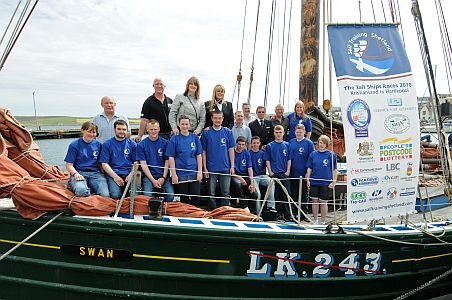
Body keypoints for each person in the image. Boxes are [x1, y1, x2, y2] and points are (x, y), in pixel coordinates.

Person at [201, 110, 235, 210]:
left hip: (225, 166)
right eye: (215, 118)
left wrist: (232, 165)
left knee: (225, 191)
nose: (217, 120)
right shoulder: (206, 132)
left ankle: (224, 211)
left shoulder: (227, 132)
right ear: (212, 118)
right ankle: (212, 210)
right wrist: (205, 168)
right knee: (211, 192)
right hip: (211, 167)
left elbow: (231, 149)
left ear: (223, 119)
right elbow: (203, 151)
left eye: (219, 118)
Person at [64, 122, 109, 197]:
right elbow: (69, 165)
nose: (91, 134)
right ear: (82, 130)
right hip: (79, 173)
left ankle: (90, 189)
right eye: (89, 131)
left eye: (94, 132)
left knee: (105, 194)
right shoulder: (74, 145)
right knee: (81, 191)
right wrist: (75, 174)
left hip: (95, 174)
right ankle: (79, 187)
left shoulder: (99, 145)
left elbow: (102, 163)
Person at [166, 115, 203, 206]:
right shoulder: (174, 139)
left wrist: (200, 172)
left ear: (190, 125)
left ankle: (195, 215)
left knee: (195, 197)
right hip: (181, 174)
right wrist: (174, 174)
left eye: (186, 124)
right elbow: (171, 157)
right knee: (184, 199)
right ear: (179, 125)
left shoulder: (195, 138)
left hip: (193, 172)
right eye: (182, 124)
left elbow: (199, 155)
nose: (185, 126)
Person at [137, 119, 174, 202]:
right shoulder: (141, 145)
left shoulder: (165, 143)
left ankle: (163, 210)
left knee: (170, 195)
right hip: (149, 176)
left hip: (163, 175)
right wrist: (153, 180)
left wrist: (163, 177)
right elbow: (143, 164)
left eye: (155, 129)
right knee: (147, 196)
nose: (153, 131)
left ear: (159, 129)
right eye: (151, 129)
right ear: (147, 129)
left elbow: (167, 161)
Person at [99, 120, 137, 199]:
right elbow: (104, 163)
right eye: (119, 129)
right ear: (114, 130)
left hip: (129, 173)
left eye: (124, 129)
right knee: (115, 195)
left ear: (127, 130)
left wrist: (131, 174)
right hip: (114, 173)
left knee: (134, 196)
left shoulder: (132, 144)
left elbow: (136, 162)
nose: (121, 131)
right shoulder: (107, 144)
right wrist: (115, 176)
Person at [305, 135, 338, 225]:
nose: (321, 145)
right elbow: (309, 168)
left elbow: (335, 169)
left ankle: (323, 221)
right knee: (314, 201)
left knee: (323, 202)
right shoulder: (313, 154)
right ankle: (315, 220)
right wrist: (308, 179)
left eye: (323, 143)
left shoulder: (331, 155)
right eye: (320, 143)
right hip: (314, 181)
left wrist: (334, 181)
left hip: (325, 182)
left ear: (327, 144)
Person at [264, 125, 292, 221]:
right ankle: (278, 214)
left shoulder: (287, 145)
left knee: (286, 195)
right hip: (274, 174)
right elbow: (267, 160)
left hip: (284, 173)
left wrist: (288, 171)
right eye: (277, 132)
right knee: (276, 195)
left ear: (283, 133)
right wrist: (270, 172)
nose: (278, 134)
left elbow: (289, 159)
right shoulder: (270, 146)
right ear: (274, 133)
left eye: (280, 132)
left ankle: (288, 215)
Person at [289, 124, 315, 215]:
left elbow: (312, 158)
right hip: (293, 173)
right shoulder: (291, 142)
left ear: (304, 132)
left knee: (304, 194)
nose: (299, 134)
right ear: (294, 132)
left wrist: (308, 174)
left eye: (300, 132)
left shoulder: (309, 143)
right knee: (294, 193)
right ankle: (295, 213)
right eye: (297, 132)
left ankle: (304, 213)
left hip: (304, 173)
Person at [249, 136, 276, 212]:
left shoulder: (263, 153)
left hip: (262, 176)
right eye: (254, 143)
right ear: (251, 144)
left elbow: (266, 164)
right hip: (253, 177)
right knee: (258, 194)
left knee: (271, 181)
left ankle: (271, 206)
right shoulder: (248, 153)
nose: (255, 144)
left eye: (257, 143)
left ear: (260, 143)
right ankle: (258, 214)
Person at [231, 136, 257, 212]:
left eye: (243, 144)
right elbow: (231, 172)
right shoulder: (232, 153)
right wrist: (240, 178)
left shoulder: (246, 153)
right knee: (238, 184)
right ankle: (244, 207)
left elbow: (250, 168)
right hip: (235, 175)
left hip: (245, 175)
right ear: (236, 144)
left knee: (254, 193)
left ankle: (254, 213)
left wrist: (252, 182)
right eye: (239, 144)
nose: (241, 146)